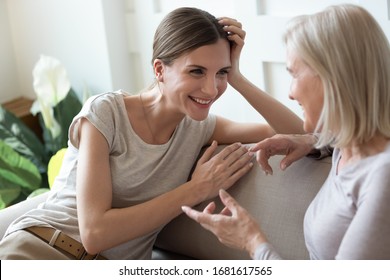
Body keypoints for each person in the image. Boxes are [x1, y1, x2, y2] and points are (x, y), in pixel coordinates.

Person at [0, 7, 303, 259]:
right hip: (41, 249)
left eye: (220, 73)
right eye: (196, 71)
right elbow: (94, 233)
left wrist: (237, 76)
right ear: (160, 69)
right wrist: (195, 189)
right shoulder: (106, 114)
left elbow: (301, 131)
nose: (211, 89)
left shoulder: (200, 128)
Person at [182, 4, 390, 260]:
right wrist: (313, 142)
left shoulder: (383, 176)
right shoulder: (349, 146)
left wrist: (252, 242)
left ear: (332, 79)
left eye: (293, 74)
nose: (290, 92)